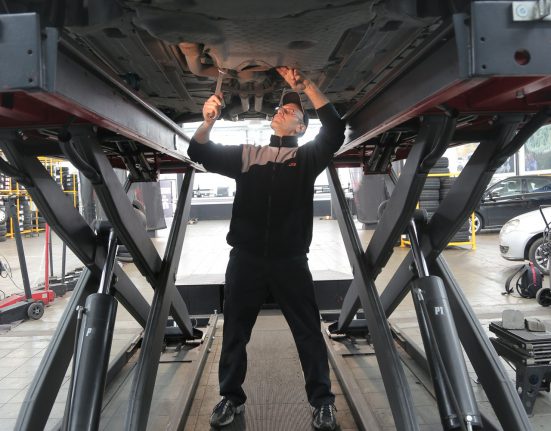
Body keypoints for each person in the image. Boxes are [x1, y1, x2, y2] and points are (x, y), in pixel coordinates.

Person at [187, 67, 345, 430]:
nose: (283, 110)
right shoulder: (248, 154)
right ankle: (230, 397)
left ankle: (322, 402)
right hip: (246, 259)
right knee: (235, 332)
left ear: (301, 129)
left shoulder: (305, 159)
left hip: (291, 261)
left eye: (292, 112)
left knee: (307, 332)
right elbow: (200, 152)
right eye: (282, 108)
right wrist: (208, 121)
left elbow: (335, 131)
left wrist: (308, 88)